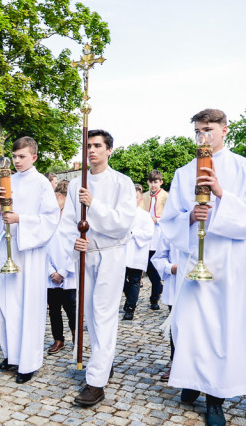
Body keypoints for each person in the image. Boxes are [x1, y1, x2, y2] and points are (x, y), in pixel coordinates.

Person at [160, 109, 246, 426]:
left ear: (224, 130)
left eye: (207, 130)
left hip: (228, 262)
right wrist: (190, 217)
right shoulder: (183, 172)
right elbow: (169, 220)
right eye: (197, 131)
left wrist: (223, 195)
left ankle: (215, 397)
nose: (202, 136)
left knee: (221, 329)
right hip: (194, 259)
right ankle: (190, 379)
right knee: (188, 326)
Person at [58, 130, 138, 405]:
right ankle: (104, 361)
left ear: (109, 150)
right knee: (89, 313)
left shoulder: (122, 183)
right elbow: (68, 221)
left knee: (104, 314)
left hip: (110, 255)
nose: (91, 150)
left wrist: (94, 204)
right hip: (85, 255)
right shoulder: (75, 184)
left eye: (97, 146)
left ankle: (96, 382)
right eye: (88, 146)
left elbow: (122, 223)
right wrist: (75, 242)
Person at [0, 137, 60, 385]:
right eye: (14, 157)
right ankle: (11, 355)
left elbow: (50, 219)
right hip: (7, 253)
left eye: (22, 157)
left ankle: (28, 362)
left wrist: (21, 219)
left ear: (34, 157)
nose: (17, 161)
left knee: (27, 308)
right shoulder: (8, 182)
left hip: (29, 254)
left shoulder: (41, 184)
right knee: (5, 306)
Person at [46, 180, 76, 355]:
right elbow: (43, 250)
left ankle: (75, 335)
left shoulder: (73, 224)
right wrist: (51, 272)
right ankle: (58, 339)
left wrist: (63, 272)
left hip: (68, 274)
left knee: (71, 309)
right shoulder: (49, 224)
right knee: (54, 310)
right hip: (51, 274)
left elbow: (76, 251)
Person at [122, 183, 157, 321]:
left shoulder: (145, 215)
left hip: (136, 251)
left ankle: (130, 309)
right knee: (122, 280)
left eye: (135, 197)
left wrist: (133, 233)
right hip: (123, 252)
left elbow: (149, 233)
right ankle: (129, 299)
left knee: (135, 281)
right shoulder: (123, 214)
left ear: (140, 199)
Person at [150, 231, 181, 382]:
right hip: (176, 285)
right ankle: (175, 364)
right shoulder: (170, 228)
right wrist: (171, 268)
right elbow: (158, 258)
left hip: (201, 287)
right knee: (176, 328)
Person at [142, 169, 169, 310]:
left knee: (156, 267)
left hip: (159, 233)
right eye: (151, 182)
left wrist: (157, 220)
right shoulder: (144, 196)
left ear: (161, 182)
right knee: (146, 265)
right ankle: (158, 287)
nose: (153, 185)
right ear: (148, 182)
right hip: (146, 233)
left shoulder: (166, 196)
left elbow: (170, 215)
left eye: (156, 182)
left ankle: (154, 299)